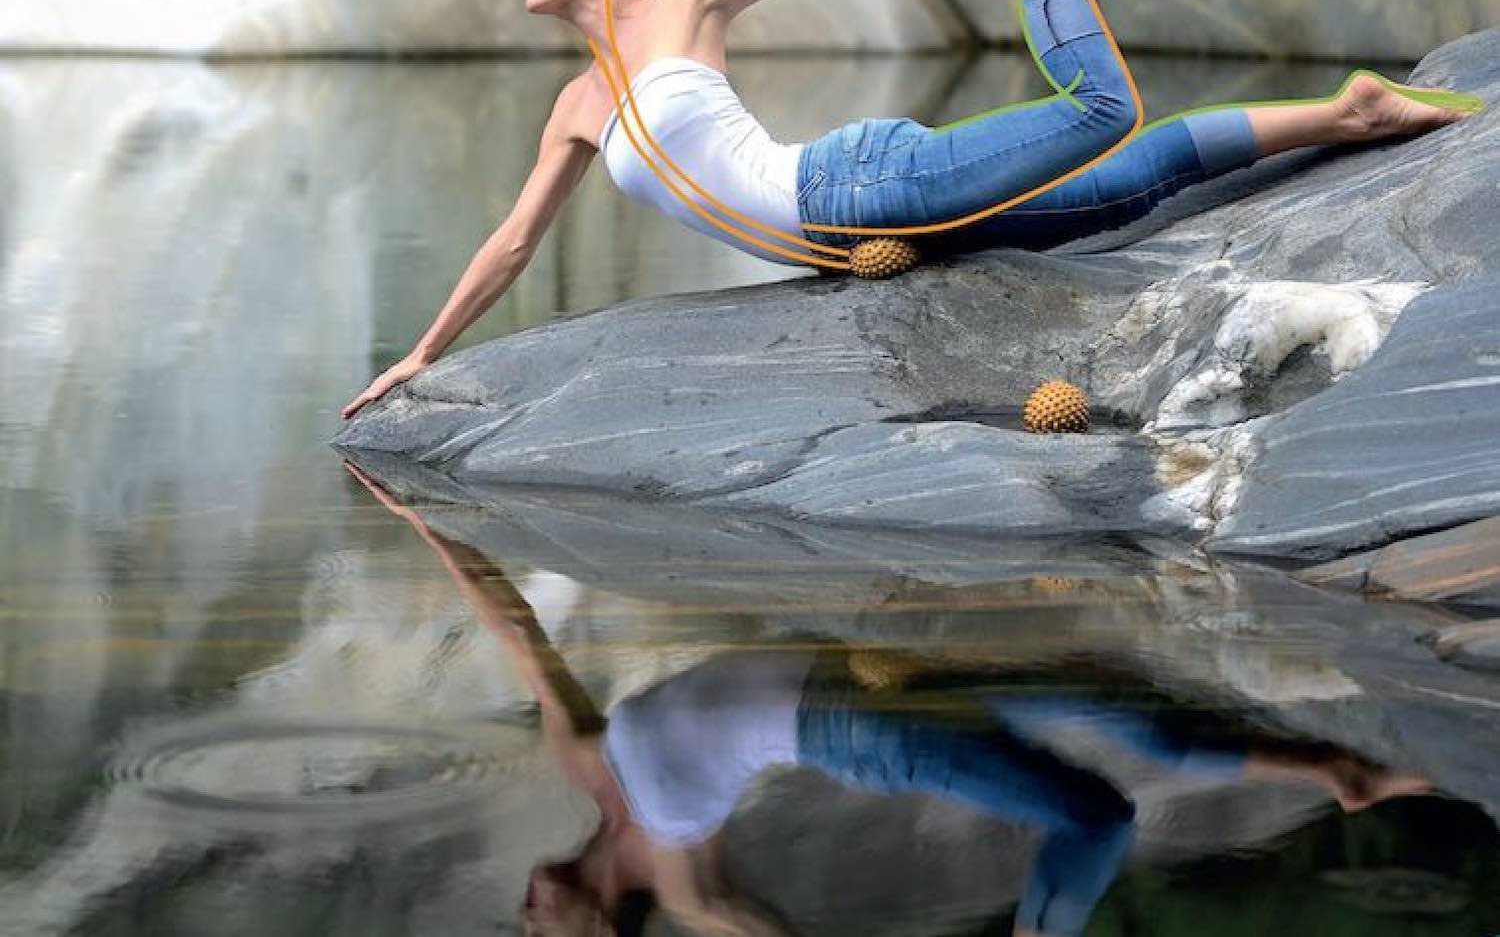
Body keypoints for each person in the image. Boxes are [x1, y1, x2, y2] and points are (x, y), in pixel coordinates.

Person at [343, 0, 1482, 419]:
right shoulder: (576, 110)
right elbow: (508, 245)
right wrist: (422, 351)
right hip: (877, 242)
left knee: (1100, 112)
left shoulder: (685, 2)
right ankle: (1354, 115)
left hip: (859, 186)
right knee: (1130, 187)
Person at [344, 459, 1433, 937]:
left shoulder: (586, 768)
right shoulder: (685, 888)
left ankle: (1330, 771)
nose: (526, 915)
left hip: (875, 682)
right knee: (1097, 802)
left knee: (1113, 714)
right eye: (540, 935)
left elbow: (522, 638)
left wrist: (437, 526)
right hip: (874, 735)